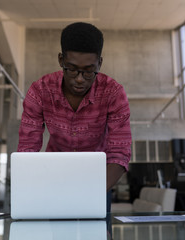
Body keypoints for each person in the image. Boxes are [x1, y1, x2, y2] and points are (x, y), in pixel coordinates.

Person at [17, 22, 132, 210]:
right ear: (61, 60)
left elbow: (119, 152)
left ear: (99, 64)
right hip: (53, 180)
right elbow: (27, 148)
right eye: (71, 69)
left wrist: (92, 191)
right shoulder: (40, 90)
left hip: (100, 181)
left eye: (88, 71)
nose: (79, 79)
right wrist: (34, 189)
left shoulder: (113, 93)